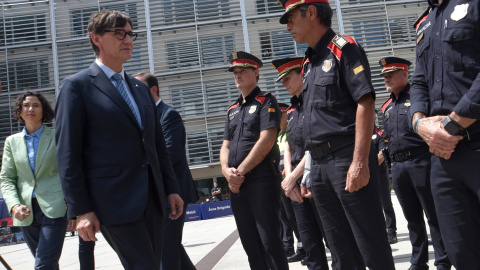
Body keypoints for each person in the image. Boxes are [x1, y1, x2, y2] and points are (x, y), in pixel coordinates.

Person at [55, 10, 183, 270]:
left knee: (154, 265)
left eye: (130, 34)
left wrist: (171, 188)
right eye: (119, 33)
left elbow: (157, 145)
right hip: (113, 200)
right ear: (97, 39)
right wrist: (80, 209)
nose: (128, 40)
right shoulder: (77, 86)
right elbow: (68, 154)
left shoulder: (140, 89)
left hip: (153, 197)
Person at [278, 1, 395, 269]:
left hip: (345, 159)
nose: (288, 27)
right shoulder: (309, 61)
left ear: (311, 12)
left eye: (291, 18)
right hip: (319, 166)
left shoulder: (344, 48)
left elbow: (365, 102)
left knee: (371, 245)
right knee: (340, 252)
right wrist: (309, 173)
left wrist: (360, 162)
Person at [409, 2, 480, 269]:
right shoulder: (425, 22)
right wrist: (419, 124)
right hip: (443, 156)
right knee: (459, 250)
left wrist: (453, 123)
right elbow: (419, 82)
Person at [380, 57, 450, 270]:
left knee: (433, 215)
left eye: (391, 74)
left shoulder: (420, 99)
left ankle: (443, 261)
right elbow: (388, 139)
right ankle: (418, 261)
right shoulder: (386, 107)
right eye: (384, 75)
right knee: (412, 218)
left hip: (421, 161)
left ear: (404, 74)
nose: (387, 78)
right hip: (398, 167)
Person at [220, 51, 288, 269]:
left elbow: (267, 140)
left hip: (261, 180)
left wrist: (238, 171)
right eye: (235, 72)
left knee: (269, 241)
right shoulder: (231, 109)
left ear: (255, 72)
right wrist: (225, 171)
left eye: (242, 71)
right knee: (250, 243)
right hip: (237, 185)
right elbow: (225, 145)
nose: (237, 76)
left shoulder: (266, 101)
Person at [133, 71, 198, 270]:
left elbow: (170, 153)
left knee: (165, 248)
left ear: (153, 90)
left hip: (173, 193)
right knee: (170, 246)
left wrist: (137, 169)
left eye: (138, 89)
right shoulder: (141, 119)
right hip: (155, 195)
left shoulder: (168, 115)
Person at [273, 57, 331, 269]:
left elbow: (315, 145)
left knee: (332, 238)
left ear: (302, 75)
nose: (284, 84)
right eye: (282, 80)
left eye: (288, 78)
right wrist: (290, 179)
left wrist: (292, 178)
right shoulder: (292, 111)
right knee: (309, 240)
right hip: (297, 183)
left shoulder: (315, 103)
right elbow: (288, 145)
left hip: (316, 179)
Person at [0, 91, 67, 269]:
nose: (30, 108)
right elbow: (6, 178)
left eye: (36, 105)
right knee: (48, 263)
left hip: (54, 207)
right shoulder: (11, 142)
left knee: (43, 264)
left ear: (43, 110)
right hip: (25, 210)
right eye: (26, 105)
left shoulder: (57, 137)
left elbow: (67, 171)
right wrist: (14, 206)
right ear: (20, 111)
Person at [276, 102, 306, 262]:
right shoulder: (278, 136)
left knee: (298, 215)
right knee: (287, 217)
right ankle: (296, 246)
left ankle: (305, 246)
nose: (279, 118)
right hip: (281, 182)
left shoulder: (291, 132)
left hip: (294, 178)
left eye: (281, 114)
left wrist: (289, 173)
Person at [372, 112, 398, 244]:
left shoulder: (380, 134)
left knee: (386, 203)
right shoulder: (357, 136)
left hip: (378, 173)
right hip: (365, 175)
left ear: (375, 116)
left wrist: (365, 166)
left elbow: (381, 155)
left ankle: (391, 231)